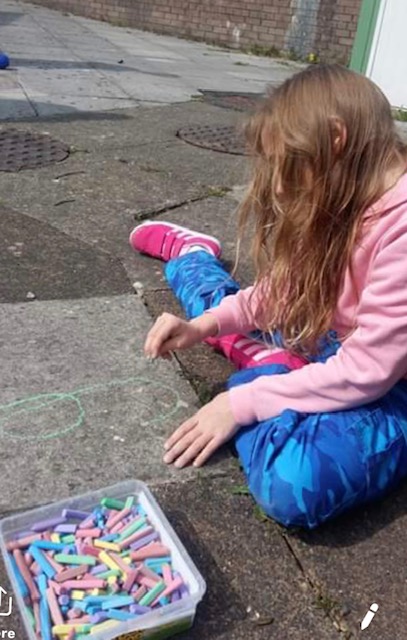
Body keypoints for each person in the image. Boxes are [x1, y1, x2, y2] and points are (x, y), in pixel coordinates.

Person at [129, 64, 407, 529]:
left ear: (335, 139)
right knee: (213, 319)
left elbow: (367, 372)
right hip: (340, 349)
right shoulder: (350, 190)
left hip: (390, 383)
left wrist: (242, 402)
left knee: (293, 483)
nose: (278, 185)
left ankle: (269, 364)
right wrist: (201, 328)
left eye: (285, 165)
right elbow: (283, 293)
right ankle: (193, 255)